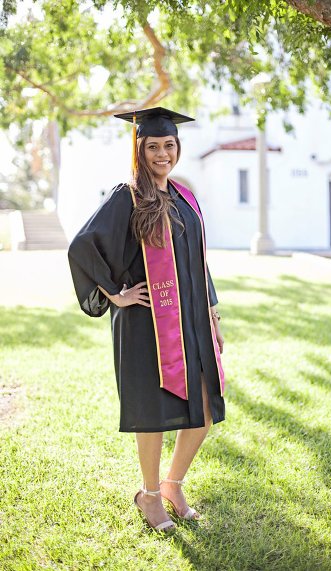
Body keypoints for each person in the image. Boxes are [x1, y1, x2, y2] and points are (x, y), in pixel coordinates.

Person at [68, 107, 226, 532]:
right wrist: (115, 294)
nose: (162, 153)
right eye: (153, 146)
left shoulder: (185, 197)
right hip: (146, 326)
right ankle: (149, 494)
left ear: (178, 147)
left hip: (190, 320)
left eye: (168, 145)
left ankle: (173, 484)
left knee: (206, 408)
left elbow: (199, 260)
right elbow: (83, 246)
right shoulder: (128, 195)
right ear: (140, 151)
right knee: (153, 412)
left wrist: (212, 314)